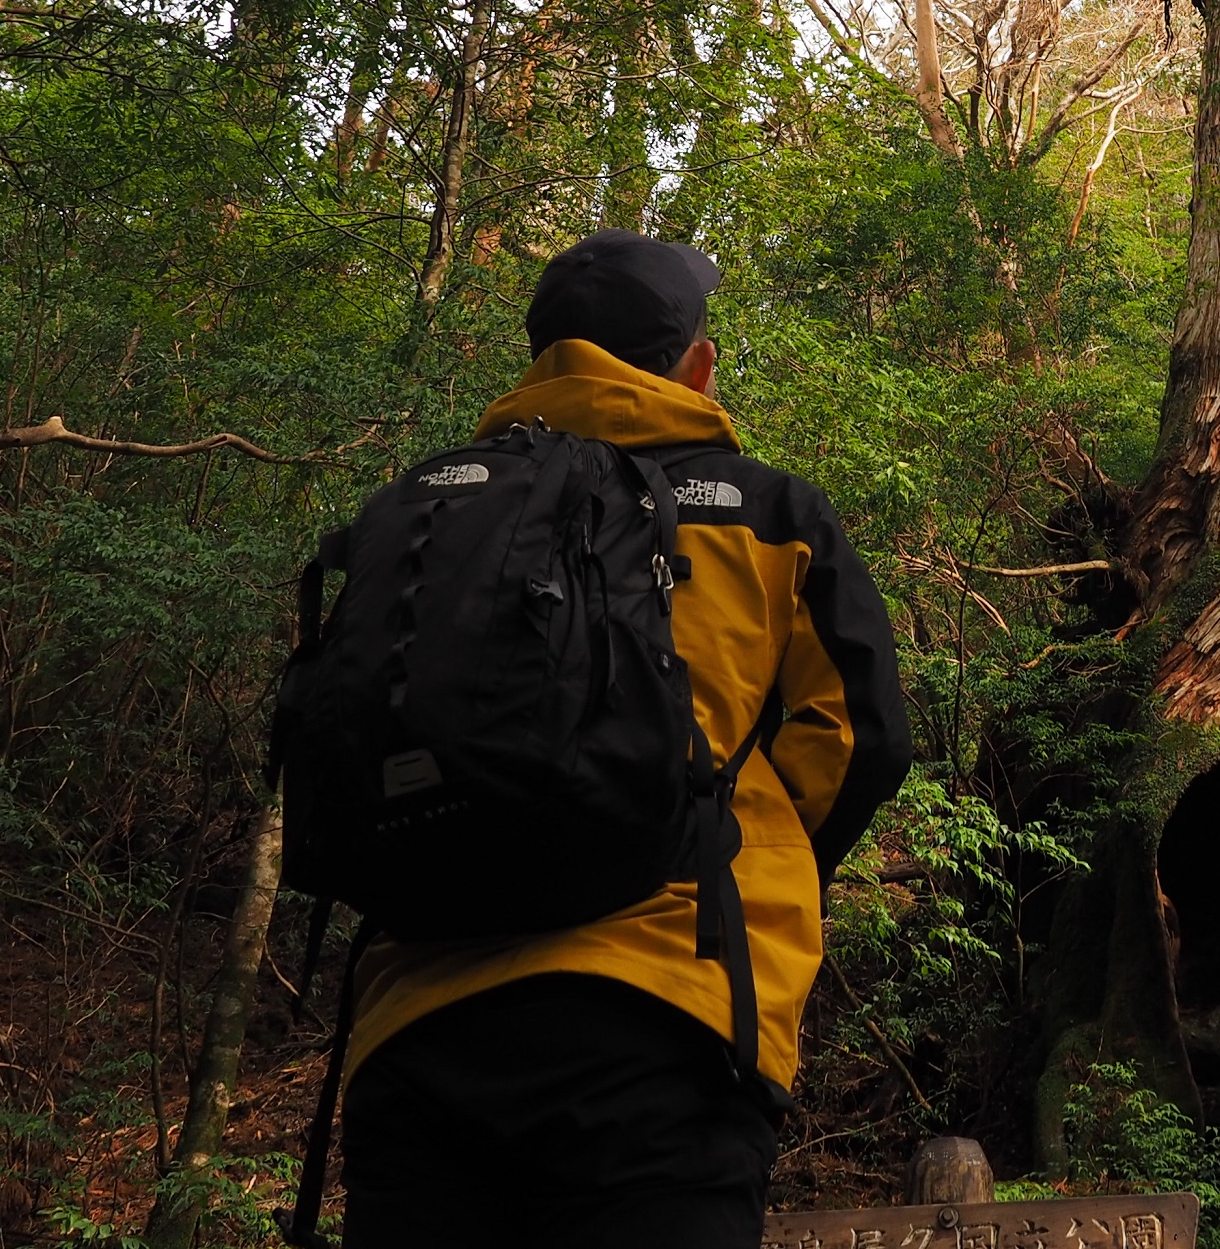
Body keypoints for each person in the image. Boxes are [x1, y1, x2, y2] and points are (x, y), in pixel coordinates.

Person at [337, 230, 911, 1249]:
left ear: (541, 359)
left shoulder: (426, 508)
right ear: (698, 362)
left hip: (413, 1028)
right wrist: (739, 860)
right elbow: (861, 740)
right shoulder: (765, 514)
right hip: (662, 1018)